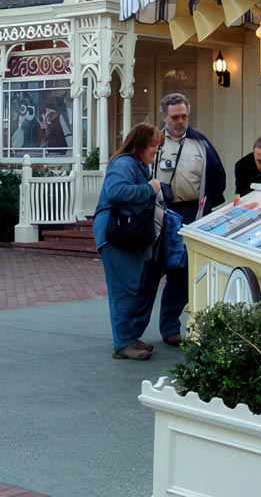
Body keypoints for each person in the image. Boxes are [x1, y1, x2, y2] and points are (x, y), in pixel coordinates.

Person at [154, 93, 226, 346]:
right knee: (151, 271)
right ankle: (131, 331)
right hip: (158, 213)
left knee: (181, 271)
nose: (180, 121)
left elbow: (218, 177)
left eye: (184, 116)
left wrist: (208, 211)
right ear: (164, 117)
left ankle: (170, 327)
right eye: (175, 117)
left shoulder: (200, 143)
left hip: (191, 213)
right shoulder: (155, 143)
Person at [92, 123, 164, 361]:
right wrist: (149, 189)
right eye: (154, 145)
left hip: (122, 235)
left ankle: (128, 339)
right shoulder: (124, 164)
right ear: (141, 144)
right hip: (117, 236)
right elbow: (116, 192)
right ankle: (123, 343)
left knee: (130, 286)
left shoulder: (132, 164)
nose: (156, 150)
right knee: (123, 289)